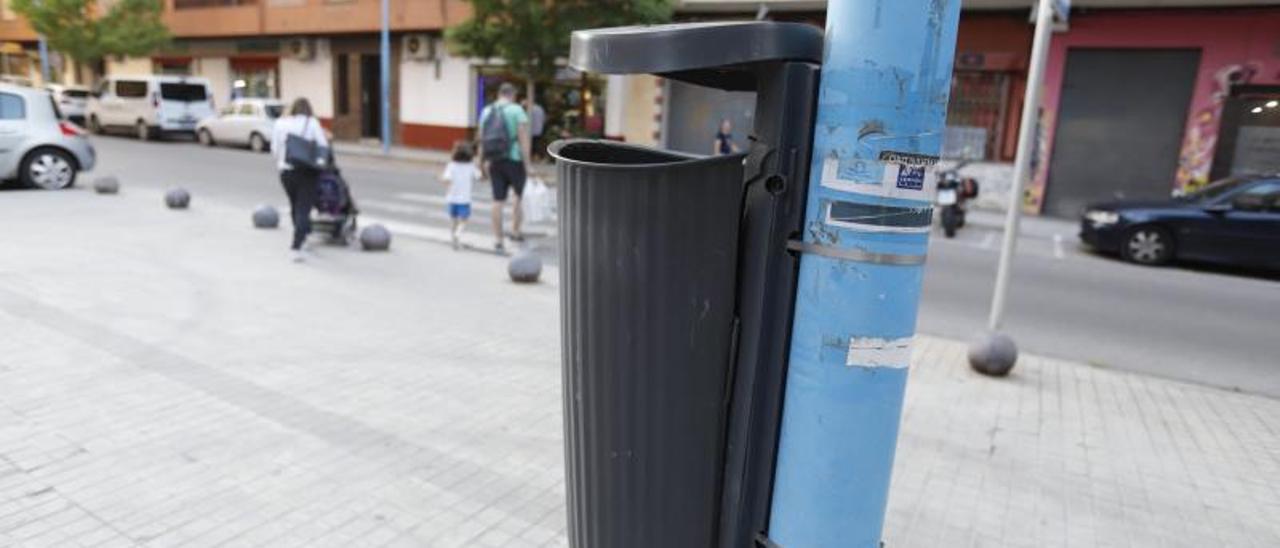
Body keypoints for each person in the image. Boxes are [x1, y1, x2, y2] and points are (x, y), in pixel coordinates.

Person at [270, 97, 330, 263]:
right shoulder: (312, 123)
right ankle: (296, 247)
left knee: (295, 206)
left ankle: (302, 237)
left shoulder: (280, 123)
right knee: (304, 209)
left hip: (285, 172)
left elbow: (274, 149)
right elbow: (322, 145)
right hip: (306, 172)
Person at [477, 82, 531, 253]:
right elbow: (523, 139)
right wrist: (528, 164)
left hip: (494, 159)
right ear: (512, 94)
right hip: (514, 159)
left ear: (499, 94)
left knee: (497, 200)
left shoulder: (486, 111)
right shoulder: (517, 110)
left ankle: (498, 239)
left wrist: (480, 162)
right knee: (517, 196)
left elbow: (481, 139)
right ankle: (515, 231)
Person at [441, 141, 479, 250]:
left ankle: (454, 241)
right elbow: (479, 176)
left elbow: (446, 180)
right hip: (464, 199)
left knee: (453, 221)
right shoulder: (471, 166)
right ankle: (458, 234)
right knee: (464, 220)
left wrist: (442, 180)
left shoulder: (451, 165)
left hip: (452, 198)